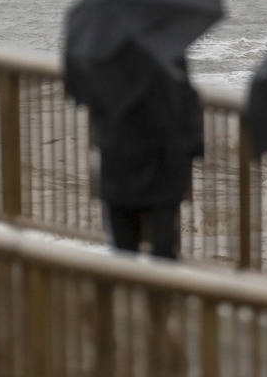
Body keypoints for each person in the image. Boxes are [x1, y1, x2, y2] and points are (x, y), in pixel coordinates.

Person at [84, 47, 204, 260]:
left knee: (123, 249)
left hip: (118, 165)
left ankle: (128, 289)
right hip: (163, 164)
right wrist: (193, 149)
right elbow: (186, 101)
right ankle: (160, 291)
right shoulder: (169, 49)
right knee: (163, 250)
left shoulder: (107, 53)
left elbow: (95, 103)